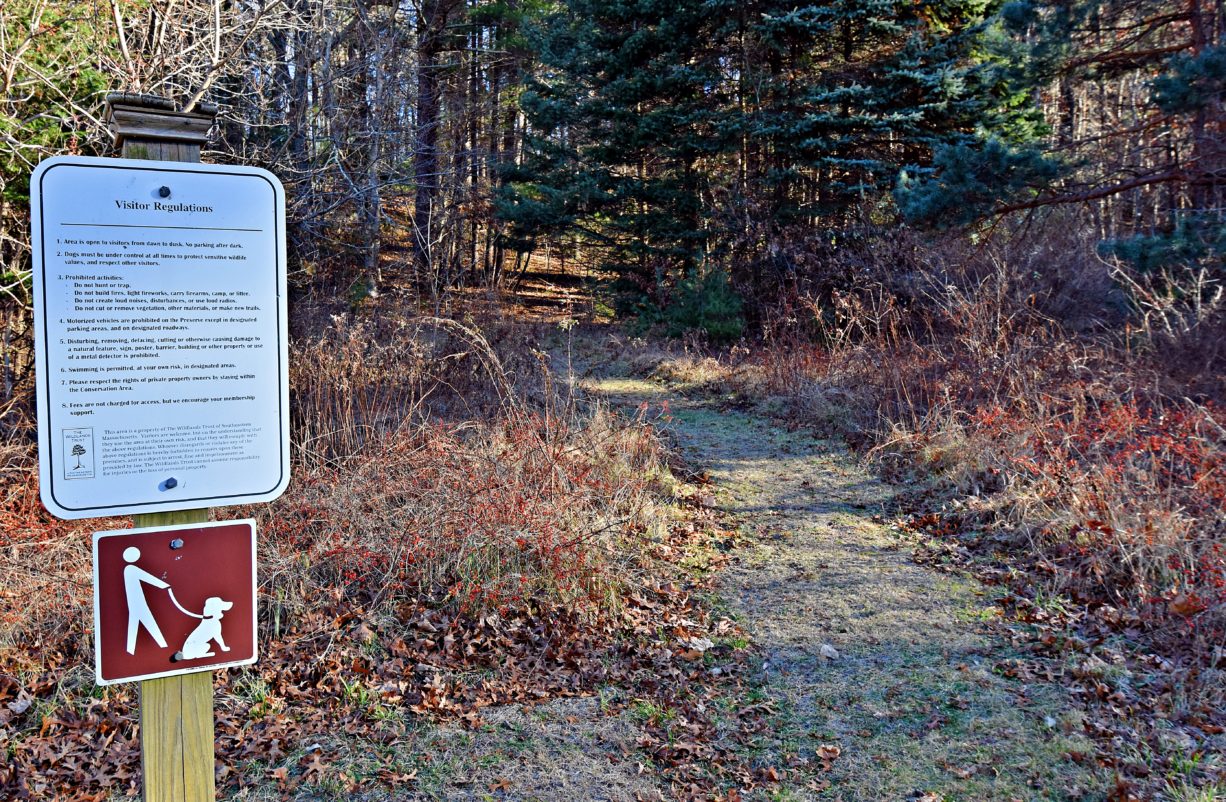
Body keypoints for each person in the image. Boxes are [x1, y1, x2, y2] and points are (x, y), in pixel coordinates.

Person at [123, 546, 169, 655]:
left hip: (135, 602)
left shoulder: (128, 569)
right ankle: (163, 646)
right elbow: (147, 577)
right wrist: (164, 585)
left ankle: (130, 650)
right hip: (137, 602)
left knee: (134, 624)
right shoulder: (131, 569)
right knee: (147, 621)